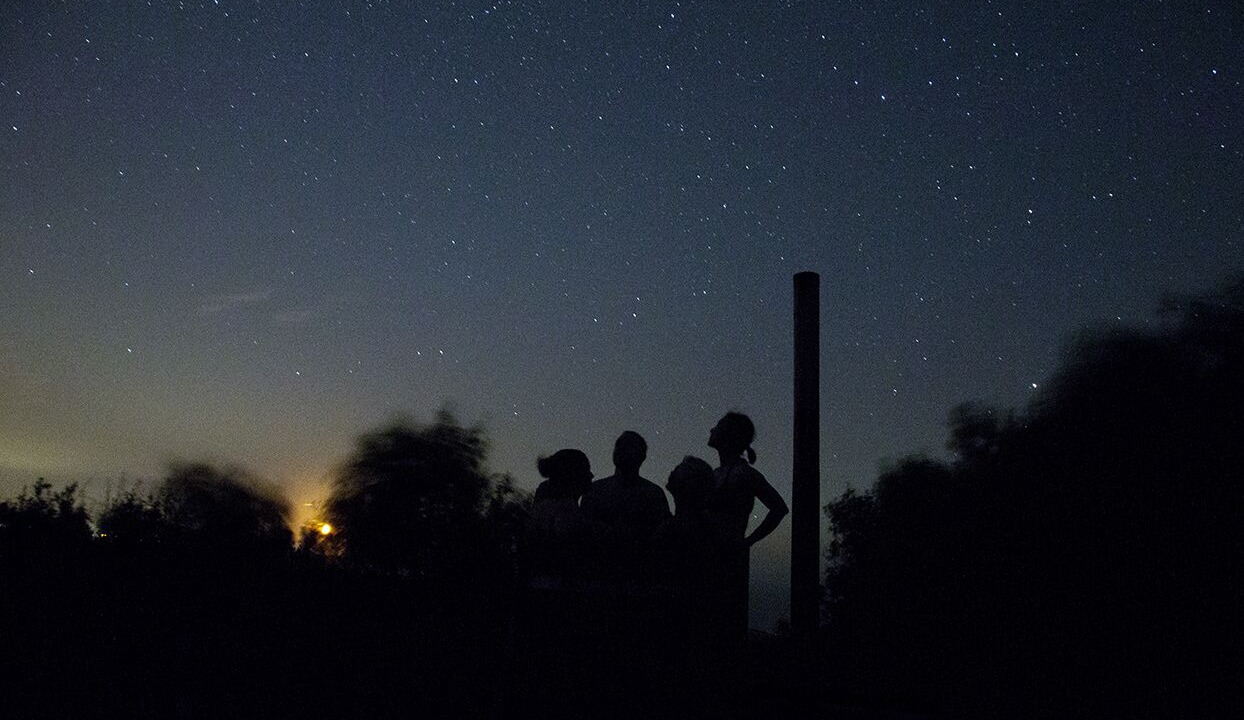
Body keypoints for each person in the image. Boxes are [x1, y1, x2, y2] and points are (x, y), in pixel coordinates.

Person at [704, 411, 788, 654]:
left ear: (728, 436)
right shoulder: (716, 474)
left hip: (729, 558)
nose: (711, 430)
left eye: (717, 426)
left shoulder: (743, 475)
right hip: (710, 556)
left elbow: (779, 508)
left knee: (726, 624)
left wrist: (747, 541)